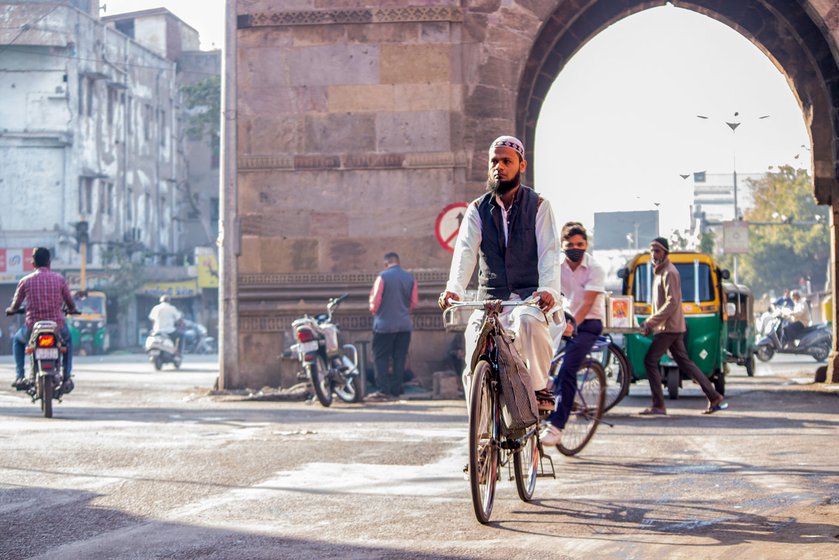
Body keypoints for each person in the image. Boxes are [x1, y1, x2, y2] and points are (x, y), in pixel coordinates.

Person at [438, 135, 562, 412]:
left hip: (529, 297)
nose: (499, 167)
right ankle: (480, 430)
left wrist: (548, 290)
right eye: (495, 161)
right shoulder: (477, 209)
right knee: (473, 348)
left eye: (507, 161)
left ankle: (539, 388)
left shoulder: (539, 206)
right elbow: (466, 251)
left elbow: (550, 253)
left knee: (529, 323)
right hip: (491, 298)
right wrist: (453, 288)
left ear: (521, 165)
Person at [639, 238, 727, 415]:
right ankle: (714, 396)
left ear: (665, 253)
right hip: (669, 327)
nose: (654, 254)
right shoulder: (660, 272)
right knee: (686, 364)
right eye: (652, 251)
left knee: (650, 361)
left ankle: (658, 405)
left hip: (669, 328)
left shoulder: (669, 273)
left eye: (657, 251)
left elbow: (672, 303)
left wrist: (651, 322)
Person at [541, 222, 606, 446]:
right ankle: (548, 386)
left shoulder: (595, 269)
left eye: (580, 244)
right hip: (565, 320)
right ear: (562, 245)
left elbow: (587, 304)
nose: (575, 248)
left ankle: (557, 426)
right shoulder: (557, 268)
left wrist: (572, 326)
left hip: (588, 324)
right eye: (570, 244)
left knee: (569, 367)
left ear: (586, 244)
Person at [5, 247, 79, 392]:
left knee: (18, 341)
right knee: (68, 340)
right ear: (49, 263)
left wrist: (12, 310)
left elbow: (15, 305)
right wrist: (73, 309)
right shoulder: (59, 279)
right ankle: (66, 376)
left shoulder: (25, 281)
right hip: (57, 327)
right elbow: (70, 303)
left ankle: (20, 376)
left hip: (33, 327)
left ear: (33, 263)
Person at [368, 252, 418, 401]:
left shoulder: (382, 277)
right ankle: (397, 389)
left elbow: (375, 302)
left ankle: (384, 390)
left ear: (386, 264)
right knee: (399, 357)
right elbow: (413, 302)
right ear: (398, 262)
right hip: (404, 324)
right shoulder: (410, 278)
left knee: (380, 356)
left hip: (384, 325)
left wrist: (375, 311)